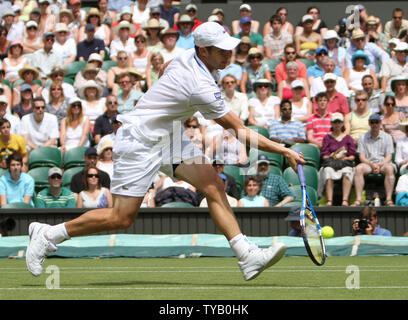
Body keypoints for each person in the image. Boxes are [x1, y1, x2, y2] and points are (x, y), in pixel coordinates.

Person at [25, 22, 305, 281]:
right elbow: (240, 131)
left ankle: (247, 256)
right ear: (203, 50)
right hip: (138, 140)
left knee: (213, 185)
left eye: (229, 48)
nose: (229, 55)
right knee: (121, 217)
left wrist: (166, 104)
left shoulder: (187, 55)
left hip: (168, 136)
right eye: (221, 50)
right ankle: (48, 235)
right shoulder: (201, 86)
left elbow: (165, 68)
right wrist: (285, 151)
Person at [352, 113, 396, 207]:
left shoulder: (387, 137)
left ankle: (388, 199)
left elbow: (389, 156)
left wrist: (379, 165)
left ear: (380, 123)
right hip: (368, 163)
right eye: (372, 122)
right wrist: (372, 165)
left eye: (376, 122)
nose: (374, 124)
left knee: (390, 169)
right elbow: (362, 157)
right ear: (369, 124)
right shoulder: (362, 137)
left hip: (383, 163)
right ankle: (358, 199)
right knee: (358, 169)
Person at [319, 112, 356, 206]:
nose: (337, 124)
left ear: (342, 123)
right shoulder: (327, 138)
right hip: (332, 162)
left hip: (344, 163)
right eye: (335, 122)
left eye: (339, 122)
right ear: (332, 123)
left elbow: (352, 155)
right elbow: (324, 155)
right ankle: (329, 200)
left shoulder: (348, 138)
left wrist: (345, 158)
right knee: (328, 171)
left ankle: (345, 200)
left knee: (347, 171)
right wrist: (333, 156)